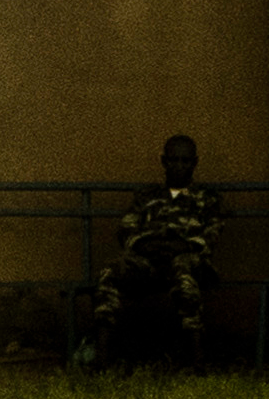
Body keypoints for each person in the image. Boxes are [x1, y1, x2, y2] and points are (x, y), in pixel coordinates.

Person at [87, 133, 218, 368]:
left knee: (183, 272)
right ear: (164, 162)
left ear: (195, 163)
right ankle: (101, 359)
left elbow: (210, 236)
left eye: (185, 161)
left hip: (188, 261)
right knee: (110, 272)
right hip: (149, 261)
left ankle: (198, 361)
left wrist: (180, 247)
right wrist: (145, 246)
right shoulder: (146, 196)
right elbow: (126, 229)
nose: (179, 166)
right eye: (173, 160)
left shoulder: (206, 198)